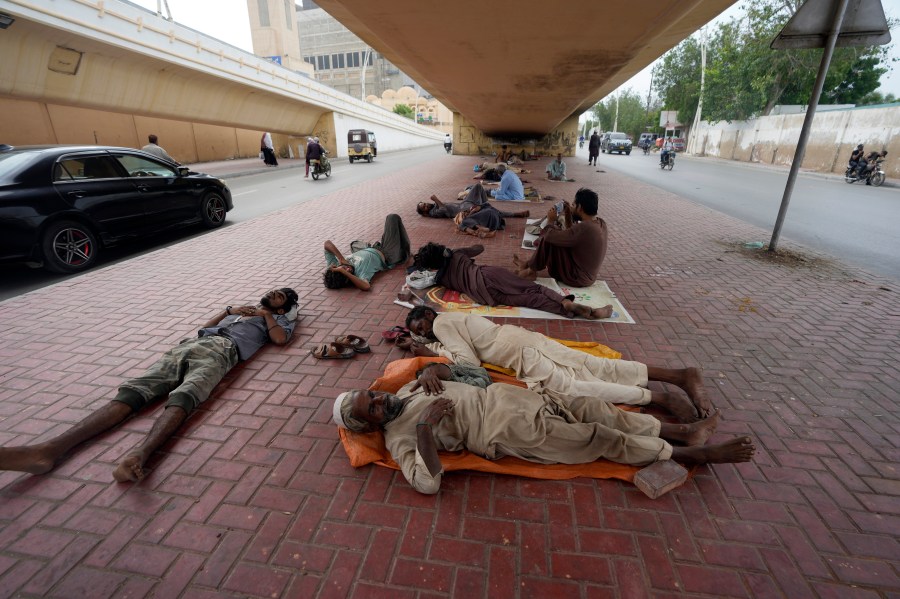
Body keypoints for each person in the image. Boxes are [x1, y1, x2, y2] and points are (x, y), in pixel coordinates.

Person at [0, 288, 299, 482]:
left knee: (185, 397)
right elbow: (205, 327)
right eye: (273, 291)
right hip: (190, 346)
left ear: (285, 308)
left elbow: (280, 341)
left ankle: (141, 454)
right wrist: (230, 309)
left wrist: (267, 316)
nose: (273, 293)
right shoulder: (245, 310)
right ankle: (49, 449)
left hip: (223, 353)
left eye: (280, 296)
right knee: (132, 393)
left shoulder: (278, 320)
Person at [333, 373, 754, 494]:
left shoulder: (406, 388)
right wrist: (425, 428)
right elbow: (427, 483)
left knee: (595, 408)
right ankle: (690, 454)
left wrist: (437, 371)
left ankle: (682, 430)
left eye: (369, 395)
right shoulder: (401, 437)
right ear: (368, 425)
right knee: (596, 437)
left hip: (517, 397)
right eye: (369, 408)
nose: (376, 400)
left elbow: (469, 374)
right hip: (510, 429)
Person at [399, 309, 714, 422]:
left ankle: (658, 397)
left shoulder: (440, 324)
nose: (424, 333)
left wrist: (434, 349)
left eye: (422, 327)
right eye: (421, 333)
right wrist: (434, 345)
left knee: (571, 388)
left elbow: (470, 362)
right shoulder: (451, 316)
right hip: (524, 339)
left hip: (519, 354)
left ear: (428, 317)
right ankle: (678, 376)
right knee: (594, 365)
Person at [410, 242, 612, 320]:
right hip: (488, 275)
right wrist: (453, 250)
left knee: (529, 300)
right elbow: (480, 248)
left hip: (484, 296)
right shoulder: (456, 254)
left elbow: (423, 279)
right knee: (534, 289)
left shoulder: (441, 278)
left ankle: (572, 311)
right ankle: (566, 301)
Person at [512, 188, 607, 288]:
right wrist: (567, 214)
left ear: (580, 208)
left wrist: (550, 220)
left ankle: (530, 271)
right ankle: (528, 265)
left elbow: (550, 236)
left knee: (550, 236)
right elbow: (571, 235)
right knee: (555, 234)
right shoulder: (600, 223)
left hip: (577, 278)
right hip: (586, 276)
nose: (572, 207)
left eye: (574, 205)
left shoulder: (585, 228)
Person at [323, 214, 411, 290]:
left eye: (344, 268)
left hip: (373, 248)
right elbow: (366, 286)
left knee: (353, 244)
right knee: (392, 218)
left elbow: (327, 244)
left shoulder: (335, 266)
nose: (348, 269)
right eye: (347, 272)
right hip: (387, 253)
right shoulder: (360, 274)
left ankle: (372, 248)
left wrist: (341, 259)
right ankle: (404, 253)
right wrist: (344, 271)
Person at [416, 184, 529, 220]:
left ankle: (485, 204)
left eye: (424, 203)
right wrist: (436, 199)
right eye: (424, 207)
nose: (426, 205)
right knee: (490, 210)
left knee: (477, 186)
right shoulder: (433, 213)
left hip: (464, 203)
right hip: (464, 210)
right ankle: (515, 214)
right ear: (425, 213)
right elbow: (444, 209)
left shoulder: (434, 206)